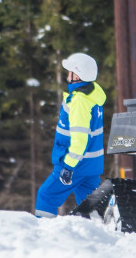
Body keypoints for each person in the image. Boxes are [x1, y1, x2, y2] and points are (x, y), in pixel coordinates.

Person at [35, 51, 106, 218]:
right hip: (91, 165)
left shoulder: (80, 101)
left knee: (46, 196)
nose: (68, 74)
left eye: (70, 71)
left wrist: (68, 167)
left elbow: (80, 138)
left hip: (75, 163)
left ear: (77, 75)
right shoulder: (92, 96)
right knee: (90, 208)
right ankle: (97, 238)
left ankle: (42, 237)